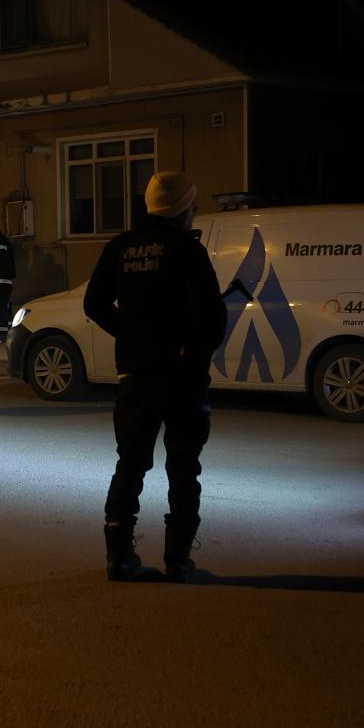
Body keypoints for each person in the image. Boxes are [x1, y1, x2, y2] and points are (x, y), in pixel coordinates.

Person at [83, 172, 226, 583]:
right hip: (182, 377)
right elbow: (213, 317)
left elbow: (95, 303)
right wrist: (192, 355)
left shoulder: (120, 246)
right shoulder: (186, 249)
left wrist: (131, 332)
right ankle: (178, 559)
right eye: (193, 204)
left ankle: (119, 555)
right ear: (182, 209)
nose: (195, 210)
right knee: (183, 467)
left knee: (130, 462)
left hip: (135, 371)